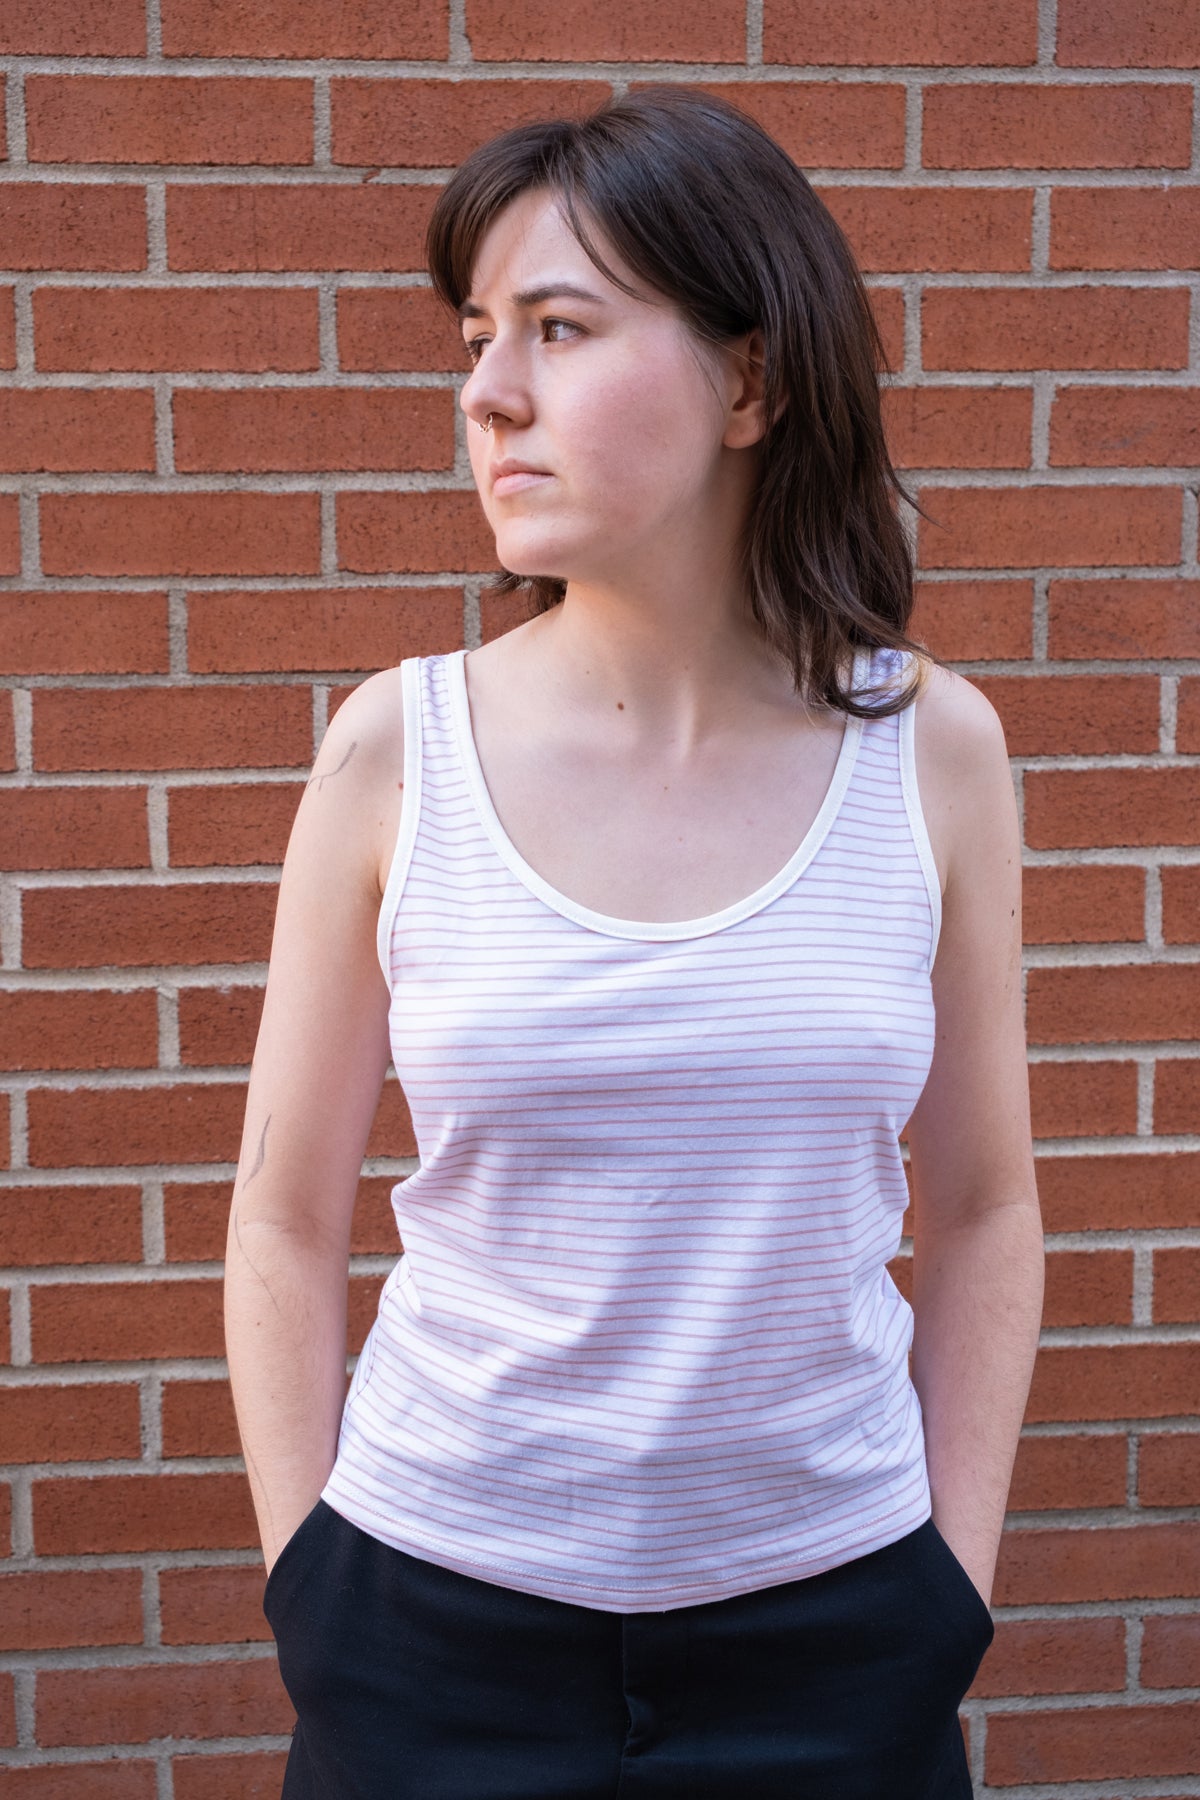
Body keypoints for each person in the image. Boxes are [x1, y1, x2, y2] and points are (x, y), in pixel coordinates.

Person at [224, 85, 1045, 1800]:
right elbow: (283, 1217)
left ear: (752, 383)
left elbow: (985, 1205)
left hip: (837, 1639)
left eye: (560, 328)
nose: (486, 393)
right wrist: (314, 1587)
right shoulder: (394, 751)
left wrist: (947, 1587)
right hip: (430, 1634)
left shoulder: (933, 752)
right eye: (478, 338)